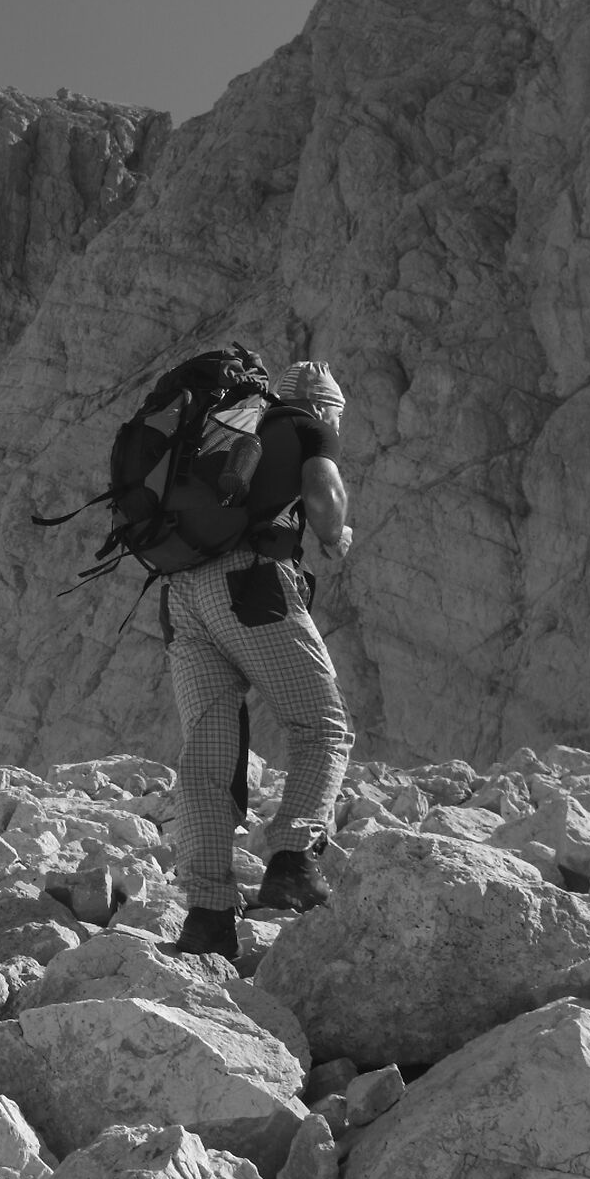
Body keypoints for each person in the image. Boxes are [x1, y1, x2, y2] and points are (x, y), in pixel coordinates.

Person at [169, 360, 356, 960]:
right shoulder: (307, 424)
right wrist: (333, 534)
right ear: (325, 404)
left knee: (208, 761)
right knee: (321, 727)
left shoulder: (218, 431)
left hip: (181, 597)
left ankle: (208, 918)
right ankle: (294, 863)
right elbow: (324, 495)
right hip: (249, 584)